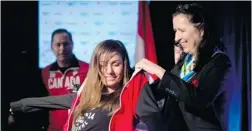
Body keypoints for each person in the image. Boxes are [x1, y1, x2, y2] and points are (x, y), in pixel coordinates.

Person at [135, 3, 232, 131]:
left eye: (182, 30)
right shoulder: (184, 63)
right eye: (175, 31)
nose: (177, 38)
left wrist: (159, 71)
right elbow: (167, 91)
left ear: (201, 31)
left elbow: (199, 99)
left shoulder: (219, 62)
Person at [10, 39, 135, 131]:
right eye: (103, 65)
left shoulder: (127, 99)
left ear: (124, 66)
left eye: (116, 64)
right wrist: (12, 107)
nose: (109, 71)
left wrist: (152, 69)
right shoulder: (87, 95)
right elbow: (48, 102)